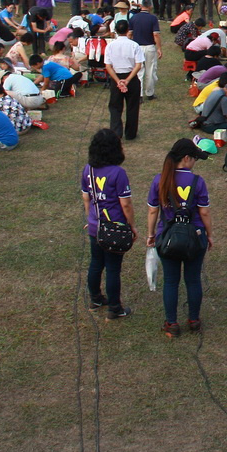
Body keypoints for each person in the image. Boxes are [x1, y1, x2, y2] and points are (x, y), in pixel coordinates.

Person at [146, 138, 213, 337]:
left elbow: (152, 211)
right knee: (193, 280)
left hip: (167, 238)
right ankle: (194, 320)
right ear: (186, 158)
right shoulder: (197, 181)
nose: (195, 164)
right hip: (195, 237)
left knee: (171, 281)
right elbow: (205, 213)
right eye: (194, 159)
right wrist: (210, 235)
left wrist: (151, 235)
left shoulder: (160, 180)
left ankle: (172, 323)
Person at [82, 128, 136, 321]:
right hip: (115, 228)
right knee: (113, 268)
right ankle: (115, 308)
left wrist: (91, 218)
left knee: (96, 263)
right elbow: (126, 204)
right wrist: (132, 226)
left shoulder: (88, 169)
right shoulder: (118, 173)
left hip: (95, 226)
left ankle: (95, 299)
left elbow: (86, 197)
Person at [104, 19, 144, 140]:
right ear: (127, 30)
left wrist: (117, 81)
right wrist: (127, 80)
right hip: (131, 77)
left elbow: (108, 66)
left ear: (115, 30)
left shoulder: (110, 46)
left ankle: (116, 132)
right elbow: (138, 65)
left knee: (115, 107)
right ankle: (131, 133)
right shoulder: (134, 45)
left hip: (116, 77)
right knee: (132, 106)